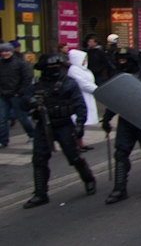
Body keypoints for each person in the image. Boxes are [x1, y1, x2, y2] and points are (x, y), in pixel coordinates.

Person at [20, 55, 96, 208]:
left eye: (56, 67)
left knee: (74, 156)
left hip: (64, 125)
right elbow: (23, 102)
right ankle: (40, 193)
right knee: (39, 159)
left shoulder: (68, 83)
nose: (54, 70)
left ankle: (89, 180)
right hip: (43, 125)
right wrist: (30, 102)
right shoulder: (36, 84)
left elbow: (79, 104)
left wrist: (80, 124)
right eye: (50, 67)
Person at [102, 48, 141, 203]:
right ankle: (119, 189)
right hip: (126, 119)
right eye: (119, 60)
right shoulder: (119, 77)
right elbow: (115, 98)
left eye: (124, 60)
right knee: (121, 153)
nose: (122, 63)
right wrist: (107, 118)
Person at [0, 42, 35, 147]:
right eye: (2, 51)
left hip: (16, 95)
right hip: (3, 94)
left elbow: (27, 78)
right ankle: (3, 141)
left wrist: (20, 91)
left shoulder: (20, 63)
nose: (5, 53)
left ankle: (32, 135)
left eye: (7, 51)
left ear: (11, 51)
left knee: (22, 117)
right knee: (2, 119)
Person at [67, 49, 98, 152]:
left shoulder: (83, 69)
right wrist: (96, 90)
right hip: (80, 96)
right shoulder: (74, 70)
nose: (85, 60)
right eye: (83, 58)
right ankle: (76, 144)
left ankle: (80, 143)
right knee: (78, 121)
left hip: (87, 96)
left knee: (82, 122)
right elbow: (83, 83)